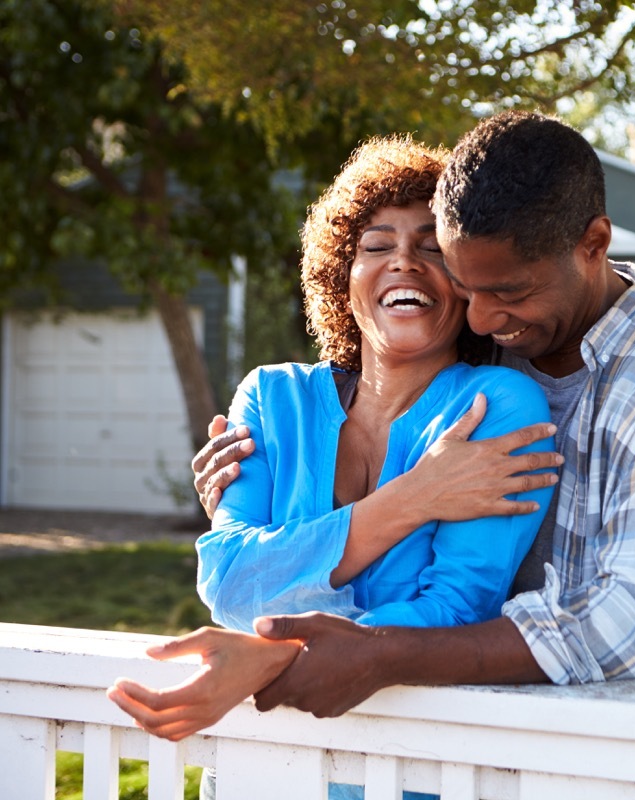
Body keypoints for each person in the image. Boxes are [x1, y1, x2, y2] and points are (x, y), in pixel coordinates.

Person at [159, 111, 635, 719]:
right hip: (440, 727)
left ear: (594, 246)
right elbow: (227, 576)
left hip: (605, 736)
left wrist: (342, 650)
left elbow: (627, 624)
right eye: (468, 285)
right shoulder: (287, 395)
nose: (483, 319)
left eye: (506, 292)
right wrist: (416, 496)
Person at [106, 134, 558, 744]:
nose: (403, 261)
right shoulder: (273, 397)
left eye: (433, 249)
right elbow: (228, 583)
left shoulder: (498, 407)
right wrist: (417, 497)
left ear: (466, 283)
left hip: (405, 762)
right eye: (376, 246)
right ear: (341, 278)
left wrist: (274, 652)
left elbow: (457, 611)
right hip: (261, 763)